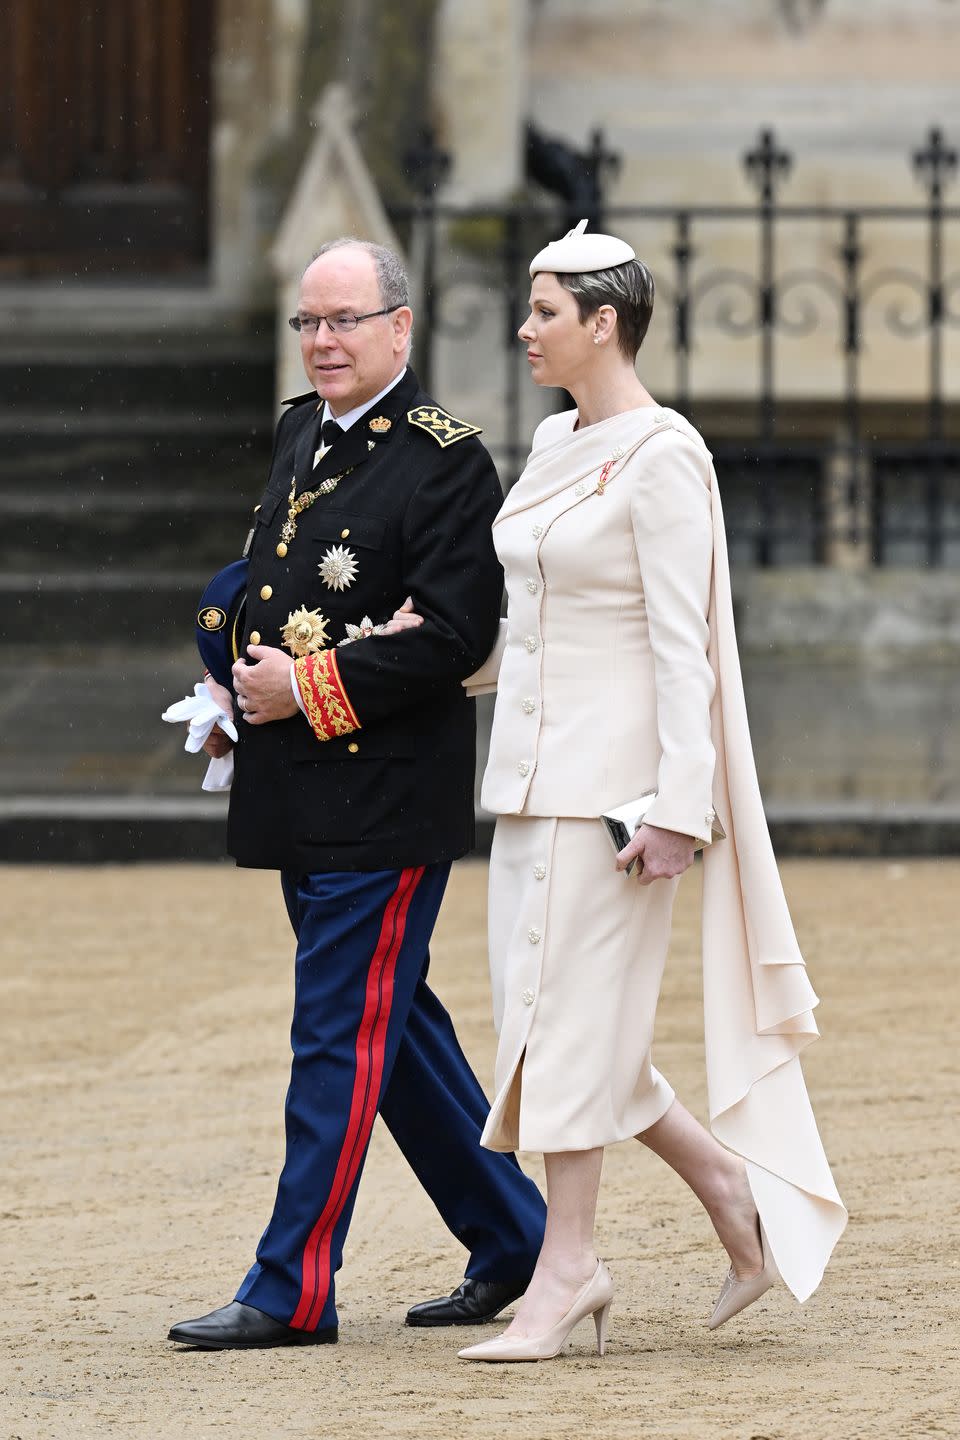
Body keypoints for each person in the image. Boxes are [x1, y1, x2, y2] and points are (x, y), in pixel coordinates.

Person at [428, 220, 846, 1361]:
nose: (525, 328)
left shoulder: (667, 455)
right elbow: (529, 622)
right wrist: (410, 648)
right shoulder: (559, 442)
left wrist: (680, 805)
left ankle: (569, 1273)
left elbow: (684, 646)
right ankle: (735, 1202)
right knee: (555, 1025)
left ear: (602, 323)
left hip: (615, 794)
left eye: (544, 311)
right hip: (525, 778)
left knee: (567, 1034)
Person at [167, 237, 545, 1351]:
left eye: (344, 321)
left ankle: (292, 1288)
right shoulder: (302, 429)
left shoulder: (447, 460)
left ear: (401, 327)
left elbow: (459, 637)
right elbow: (274, 577)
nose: (323, 342)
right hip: (301, 792)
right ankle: (514, 1232)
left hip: (384, 801)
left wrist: (308, 686)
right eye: (309, 323)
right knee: (396, 1029)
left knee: (335, 1033)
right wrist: (227, 658)